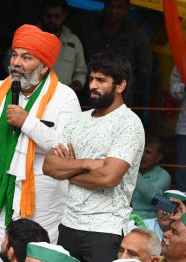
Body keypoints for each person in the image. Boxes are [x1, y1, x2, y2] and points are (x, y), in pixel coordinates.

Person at [0, 24, 81, 260]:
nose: (16, 62)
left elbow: (67, 146)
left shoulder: (64, 97)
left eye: (26, 57)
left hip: (37, 210)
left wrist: (27, 122)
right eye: (15, 54)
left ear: (43, 65)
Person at [43, 51, 145, 262]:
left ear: (121, 86)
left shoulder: (129, 124)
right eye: (91, 79)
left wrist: (67, 171)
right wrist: (88, 163)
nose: (92, 86)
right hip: (68, 224)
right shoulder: (76, 121)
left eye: (101, 80)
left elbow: (108, 179)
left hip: (105, 229)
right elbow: (49, 166)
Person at [79, 0, 152, 107]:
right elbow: (77, 62)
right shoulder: (88, 29)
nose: (113, 10)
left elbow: (144, 72)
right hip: (87, 98)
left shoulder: (137, 36)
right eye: (110, 5)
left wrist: (127, 90)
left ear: (127, 8)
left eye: (119, 7)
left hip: (121, 101)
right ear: (104, 4)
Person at [4, 0, 87, 92]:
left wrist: (74, 87)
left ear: (64, 16)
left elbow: (81, 72)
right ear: (42, 14)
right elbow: (9, 63)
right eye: (48, 15)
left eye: (57, 16)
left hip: (62, 95)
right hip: (28, 93)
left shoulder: (73, 40)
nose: (51, 20)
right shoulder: (29, 35)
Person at [131, 135, 171, 219]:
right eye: (140, 152)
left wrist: (133, 171)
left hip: (150, 219)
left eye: (148, 152)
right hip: (125, 217)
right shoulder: (127, 171)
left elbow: (154, 197)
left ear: (158, 157)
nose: (142, 156)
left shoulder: (163, 175)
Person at [169, 65, 186, 192]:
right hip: (185, 128)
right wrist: (184, 86)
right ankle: (182, 206)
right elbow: (173, 91)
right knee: (182, 169)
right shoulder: (183, 61)